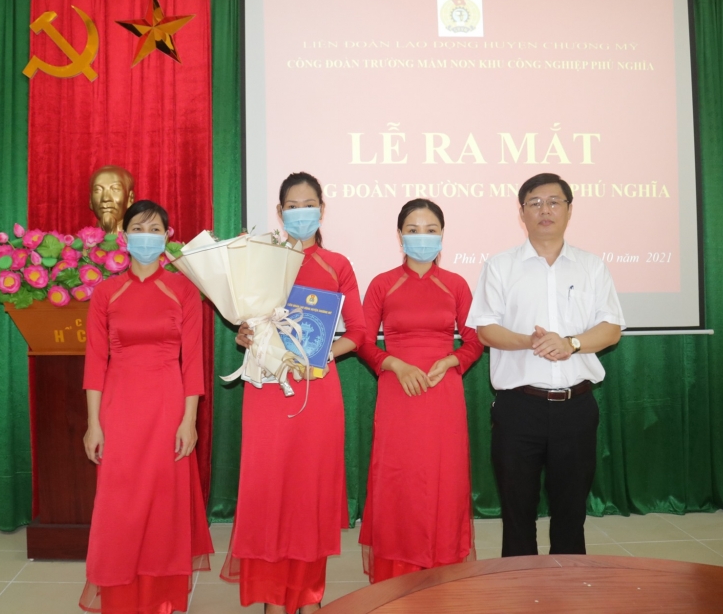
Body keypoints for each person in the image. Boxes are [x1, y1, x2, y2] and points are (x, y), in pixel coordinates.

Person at [221, 172, 366, 614]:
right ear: (280, 212)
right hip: (267, 390)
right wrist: (245, 335)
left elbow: (358, 332)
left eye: (309, 205)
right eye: (292, 206)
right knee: (268, 492)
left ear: (322, 209)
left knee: (309, 493)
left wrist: (321, 356)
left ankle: (307, 595)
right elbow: (247, 322)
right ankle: (271, 597)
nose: (301, 213)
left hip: (316, 392)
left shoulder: (337, 264)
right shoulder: (261, 261)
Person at [466, 173, 625, 557]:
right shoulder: (500, 266)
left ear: (569, 209)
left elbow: (611, 329)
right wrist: (531, 341)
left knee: (571, 514)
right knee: (517, 515)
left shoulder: (591, 266)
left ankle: (567, 587)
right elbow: (485, 329)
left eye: (554, 202)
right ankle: (519, 586)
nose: (545, 210)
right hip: (519, 408)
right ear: (522, 213)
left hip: (576, 408)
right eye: (535, 203)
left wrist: (571, 343)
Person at [80, 200, 213, 614]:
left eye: (155, 229)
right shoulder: (106, 292)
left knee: (163, 507)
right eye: (138, 228)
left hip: (168, 409)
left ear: (168, 237)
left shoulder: (183, 290)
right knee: (118, 507)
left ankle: (161, 602)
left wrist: (189, 421)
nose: (147, 236)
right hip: (119, 410)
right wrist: (93, 424)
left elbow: (193, 362)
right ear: (124, 235)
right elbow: (95, 361)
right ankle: (120, 600)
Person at [356, 198, 483, 582]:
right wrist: (394, 364)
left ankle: (442, 573)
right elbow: (363, 341)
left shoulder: (456, 284)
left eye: (431, 230)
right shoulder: (382, 283)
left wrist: (452, 360)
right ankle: (398, 576)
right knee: (400, 480)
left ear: (442, 235)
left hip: (443, 394)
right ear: (400, 235)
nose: (422, 237)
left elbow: (475, 340)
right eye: (413, 230)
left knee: (445, 481)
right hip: (398, 394)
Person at [90, 165, 136, 233]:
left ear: (130, 199)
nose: (105, 198)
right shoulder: (77, 239)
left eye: (115, 189)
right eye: (98, 190)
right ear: (90, 200)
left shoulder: (139, 239)